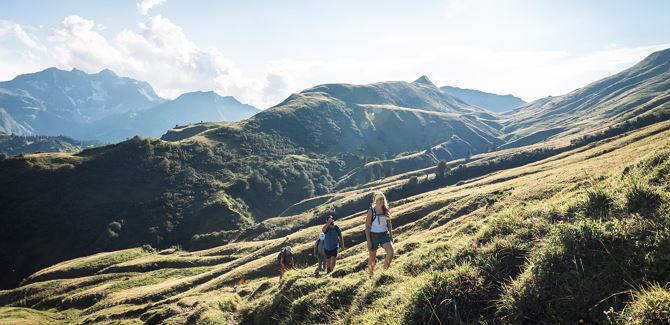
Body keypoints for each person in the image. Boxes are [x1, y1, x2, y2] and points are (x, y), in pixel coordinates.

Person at [365, 191, 394, 277]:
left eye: (382, 199)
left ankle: (384, 273)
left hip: (384, 235)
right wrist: (369, 241)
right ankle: (370, 275)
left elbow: (389, 224)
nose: (381, 201)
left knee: (391, 252)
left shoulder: (386, 210)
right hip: (374, 236)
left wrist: (391, 236)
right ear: (375, 201)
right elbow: (367, 227)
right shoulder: (371, 211)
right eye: (379, 199)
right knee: (372, 258)